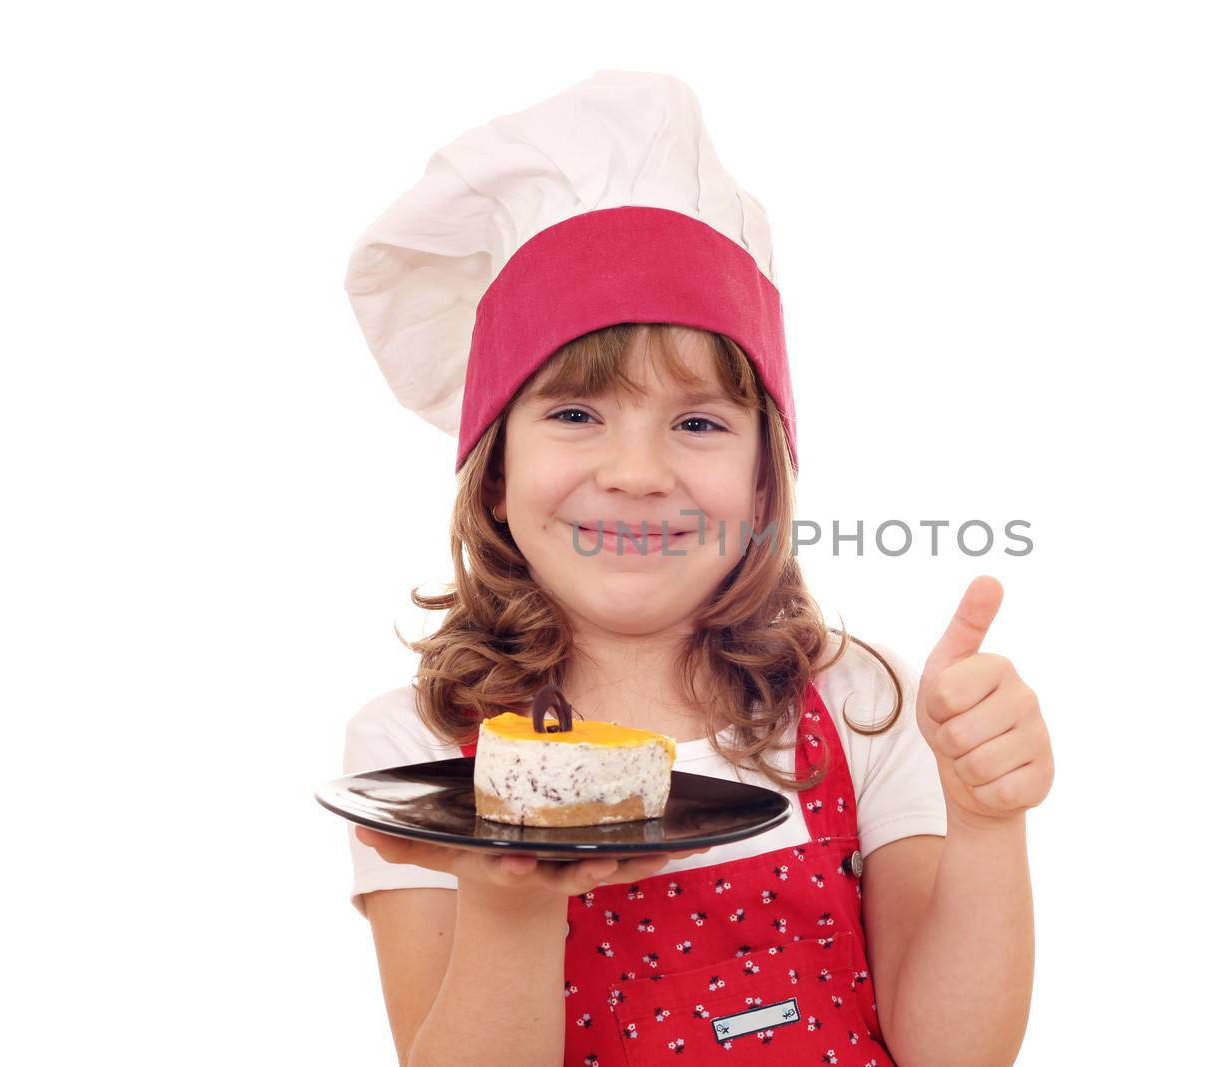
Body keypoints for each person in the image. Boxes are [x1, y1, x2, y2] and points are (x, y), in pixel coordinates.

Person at [340, 70, 1054, 1067]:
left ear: (766, 481)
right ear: (495, 472)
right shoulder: (419, 747)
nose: (636, 473)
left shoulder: (861, 705)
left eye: (699, 422)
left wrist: (985, 823)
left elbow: (955, 1051)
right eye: (576, 413)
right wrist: (509, 901)